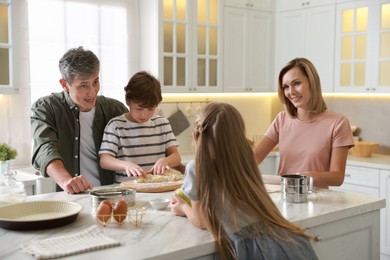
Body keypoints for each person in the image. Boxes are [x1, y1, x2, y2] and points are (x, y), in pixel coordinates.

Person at [171, 102, 318, 260]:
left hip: (256, 248)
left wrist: (182, 207)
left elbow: (201, 220)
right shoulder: (245, 157)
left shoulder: (197, 166)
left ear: (196, 135)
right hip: (284, 238)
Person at [31, 46, 128, 194]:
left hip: (111, 195)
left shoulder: (115, 109)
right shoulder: (46, 108)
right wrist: (66, 181)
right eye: (83, 85)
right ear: (64, 85)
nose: (92, 92)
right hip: (71, 199)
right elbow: (44, 149)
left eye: (95, 82)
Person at [253, 57, 354, 188]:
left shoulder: (338, 123)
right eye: (286, 87)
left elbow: (337, 177)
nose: (291, 92)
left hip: (319, 200)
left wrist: (303, 178)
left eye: (297, 83)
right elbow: (255, 157)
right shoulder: (281, 119)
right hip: (284, 197)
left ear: (312, 83)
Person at [99, 71, 181, 183]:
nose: (144, 115)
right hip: (128, 190)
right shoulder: (116, 126)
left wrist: (165, 160)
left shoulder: (163, 124)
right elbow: (104, 160)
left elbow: (176, 157)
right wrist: (126, 165)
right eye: (139, 109)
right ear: (128, 101)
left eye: (151, 109)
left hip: (158, 186)